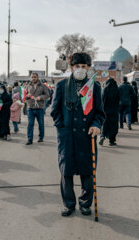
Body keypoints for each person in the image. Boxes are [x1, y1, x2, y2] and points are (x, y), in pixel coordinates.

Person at [50, 52, 105, 217]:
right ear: (71, 67)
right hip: (66, 137)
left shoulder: (94, 87)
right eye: (77, 66)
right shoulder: (61, 86)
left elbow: (100, 113)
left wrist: (96, 125)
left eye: (84, 66)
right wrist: (62, 127)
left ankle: (85, 203)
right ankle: (69, 204)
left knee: (87, 171)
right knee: (66, 172)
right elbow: (55, 111)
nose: (80, 69)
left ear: (88, 68)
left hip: (86, 137)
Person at [25, 72, 50, 145]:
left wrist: (41, 97)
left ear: (38, 77)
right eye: (32, 77)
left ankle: (41, 137)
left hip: (39, 107)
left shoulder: (43, 86)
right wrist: (27, 96)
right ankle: (30, 139)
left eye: (35, 77)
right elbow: (25, 96)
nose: (33, 78)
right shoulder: (28, 86)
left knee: (41, 124)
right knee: (30, 124)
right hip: (30, 107)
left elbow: (47, 95)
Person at [99, 77, 120, 146]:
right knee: (113, 125)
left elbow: (102, 100)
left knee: (105, 124)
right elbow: (118, 100)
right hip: (114, 111)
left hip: (106, 110)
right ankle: (112, 141)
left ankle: (102, 136)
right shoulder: (116, 89)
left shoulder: (105, 89)